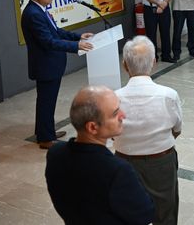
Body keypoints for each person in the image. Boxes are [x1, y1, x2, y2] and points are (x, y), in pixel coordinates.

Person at [45, 86, 154, 224]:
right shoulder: (116, 170)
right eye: (115, 114)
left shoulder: (55, 153)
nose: (123, 115)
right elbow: (145, 214)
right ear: (92, 127)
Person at [114, 36, 183, 225]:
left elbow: (111, 134)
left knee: (128, 213)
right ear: (154, 62)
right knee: (165, 213)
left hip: (123, 162)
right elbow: (177, 129)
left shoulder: (113, 98)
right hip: (161, 161)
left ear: (125, 65)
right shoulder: (168, 95)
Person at [21, 0, 94, 149]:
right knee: (46, 101)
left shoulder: (40, 10)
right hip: (45, 65)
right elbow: (48, 41)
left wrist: (78, 37)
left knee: (48, 100)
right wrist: (76, 46)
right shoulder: (33, 14)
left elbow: (56, 32)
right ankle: (46, 139)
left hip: (50, 64)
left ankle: (46, 131)